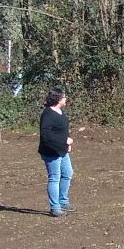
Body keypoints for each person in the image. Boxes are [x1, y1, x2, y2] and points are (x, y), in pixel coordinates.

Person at [38, 88, 75, 217]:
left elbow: (62, 130)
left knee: (68, 173)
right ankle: (55, 207)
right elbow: (46, 135)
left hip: (62, 150)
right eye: (64, 97)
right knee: (54, 178)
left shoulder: (60, 112)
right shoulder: (47, 114)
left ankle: (63, 201)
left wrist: (67, 144)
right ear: (58, 99)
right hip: (51, 151)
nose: (66, 99)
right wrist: (65, 140)